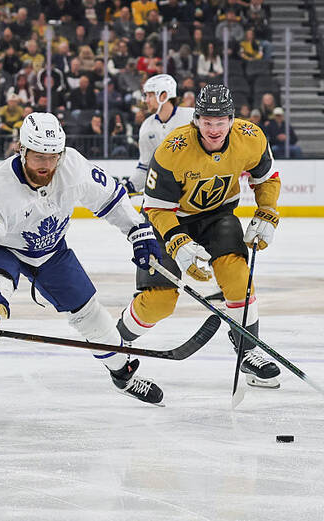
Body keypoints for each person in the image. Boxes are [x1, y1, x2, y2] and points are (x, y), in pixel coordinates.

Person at [0, 112, 165, 414]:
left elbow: (111, 198)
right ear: (21, 150)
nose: (46, 165)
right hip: (4, 249)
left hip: (50, 250)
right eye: (38, 156)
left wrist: (137, 230)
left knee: (92, 315)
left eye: (52, 156)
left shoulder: (72, 167)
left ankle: (123, 373)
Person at [117, 84, 283, 389]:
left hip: (216, 216)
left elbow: (266, 177)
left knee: (237, 275)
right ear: (196, 120)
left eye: (221, 122)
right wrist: (178, 242)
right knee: (160, 302)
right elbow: (154, 206)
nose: (214, 129)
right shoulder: (172, 149)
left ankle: (249, 352)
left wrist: (267, 210)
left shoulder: (251, 137)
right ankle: (117, 342)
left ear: (232, 119)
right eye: (207, 122)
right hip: (167, 220)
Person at [126, 74, 195, 193]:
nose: (145, 100)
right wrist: (129, 187)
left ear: (163, 96)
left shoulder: (193, 117)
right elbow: (145, 167)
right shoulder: (146, 127)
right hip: (168, 193)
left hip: (196, 190)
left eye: (150, 95)